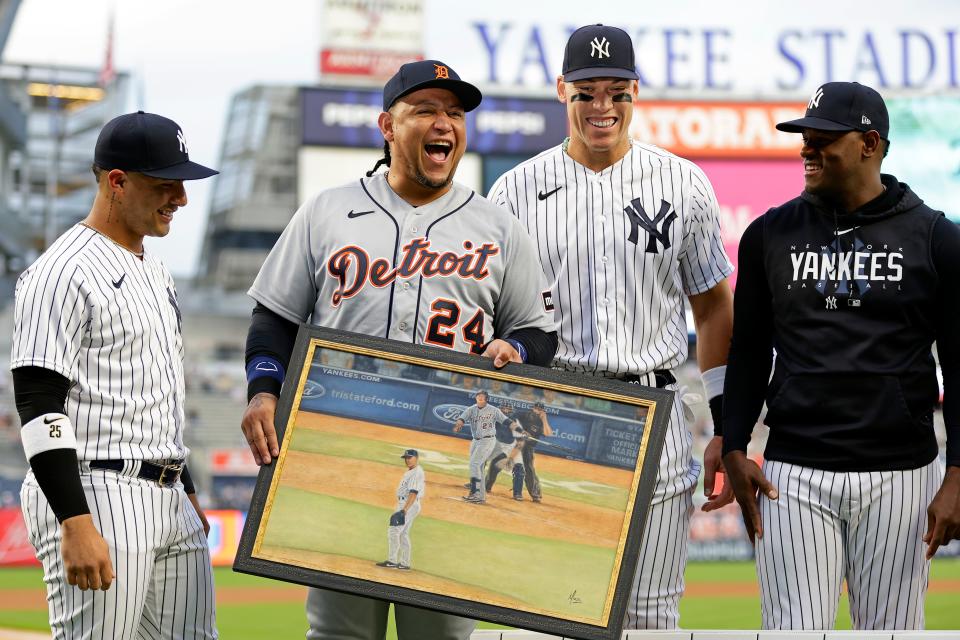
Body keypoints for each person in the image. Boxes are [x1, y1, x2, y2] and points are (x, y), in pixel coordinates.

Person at [239, 59, 558, 640]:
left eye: (455, 113)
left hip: (447, 445)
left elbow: (539, 332)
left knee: (442, 635)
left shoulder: (499, 227)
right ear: (388, 125)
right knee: (339, 632)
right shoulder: (328, 211)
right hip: (342, 437)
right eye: (426, 110)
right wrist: (263, 391)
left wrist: (515, 347)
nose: (445, 122)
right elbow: (274, 317)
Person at [488, 24, 735, 628]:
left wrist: (726, 423)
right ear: (561, 90)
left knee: (650, 618)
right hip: (554, 408)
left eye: (617, 92)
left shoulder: (683, 183)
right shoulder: (513, 191)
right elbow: (494, 313)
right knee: (554, 612)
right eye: (587, 92)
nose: (603, 108)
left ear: (636, 92)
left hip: (652, 403)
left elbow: (712, 308)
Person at [722, 81, 960, 630]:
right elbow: (750, 350)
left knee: (892, 632)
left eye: (823, 138)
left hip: (902, 475)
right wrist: (734, 443)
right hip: (794, 473)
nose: (808, 148)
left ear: (869, 144)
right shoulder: (767, 235)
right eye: (805, 136)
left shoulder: (934, 238)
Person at [10, 111, 219, 638]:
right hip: (97, 488)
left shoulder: (155, 268)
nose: (182, 198)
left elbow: (153, 397)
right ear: (117, 182)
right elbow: (38, 400)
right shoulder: (61, 271)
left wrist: (186, 487)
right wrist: (74, 522)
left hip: (168, 488)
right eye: (166, 184)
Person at [452, 390, 511, 503]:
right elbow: (462, 418)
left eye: (482, 396)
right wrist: (459, 423)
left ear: (486, 399)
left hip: (487, 440)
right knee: (479, 467)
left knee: (474, 464)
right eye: (478, 396)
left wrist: (519, 430)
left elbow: (506, 421)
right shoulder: (472, 409)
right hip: (476, 441)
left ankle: (476, 493)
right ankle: (481, 497)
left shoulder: (493, 410)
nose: (479, 398)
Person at [377, 449, 425, 571]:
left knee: (394, 531)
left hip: (408, 504)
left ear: (416, 458)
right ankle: (405, 563)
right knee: (403, 534)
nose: (407, 460)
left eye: (410, 457)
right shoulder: (413, 471)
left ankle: (392, 561)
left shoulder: (416, 472)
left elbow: (413, 493)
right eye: (406, 458)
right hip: (409, 504)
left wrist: (404, 510)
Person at [484, 404, 526, 500]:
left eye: (508, 409)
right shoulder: (493, 420)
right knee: (489, 462)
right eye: (503, 408)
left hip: (513, 447)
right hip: (498, 445)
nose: (506, 411)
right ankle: (482, 484)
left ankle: (517, 493)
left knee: (519, 468)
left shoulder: (515, 423)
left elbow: (520, 443)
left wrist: (511, 458)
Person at [513, 402, 553, 502]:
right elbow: (511, 421)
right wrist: (521, 432)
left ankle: (535, 494)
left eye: (540, 409)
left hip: (528, 447)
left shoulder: (541, 421)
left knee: (529, 469)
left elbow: (548, 434)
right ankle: (486, 484)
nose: (537, 411)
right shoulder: (524, 415)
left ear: (543, 411)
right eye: (536, 408)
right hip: (516, 443)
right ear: (533, 408)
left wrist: (544, 419)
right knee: (500, 461)